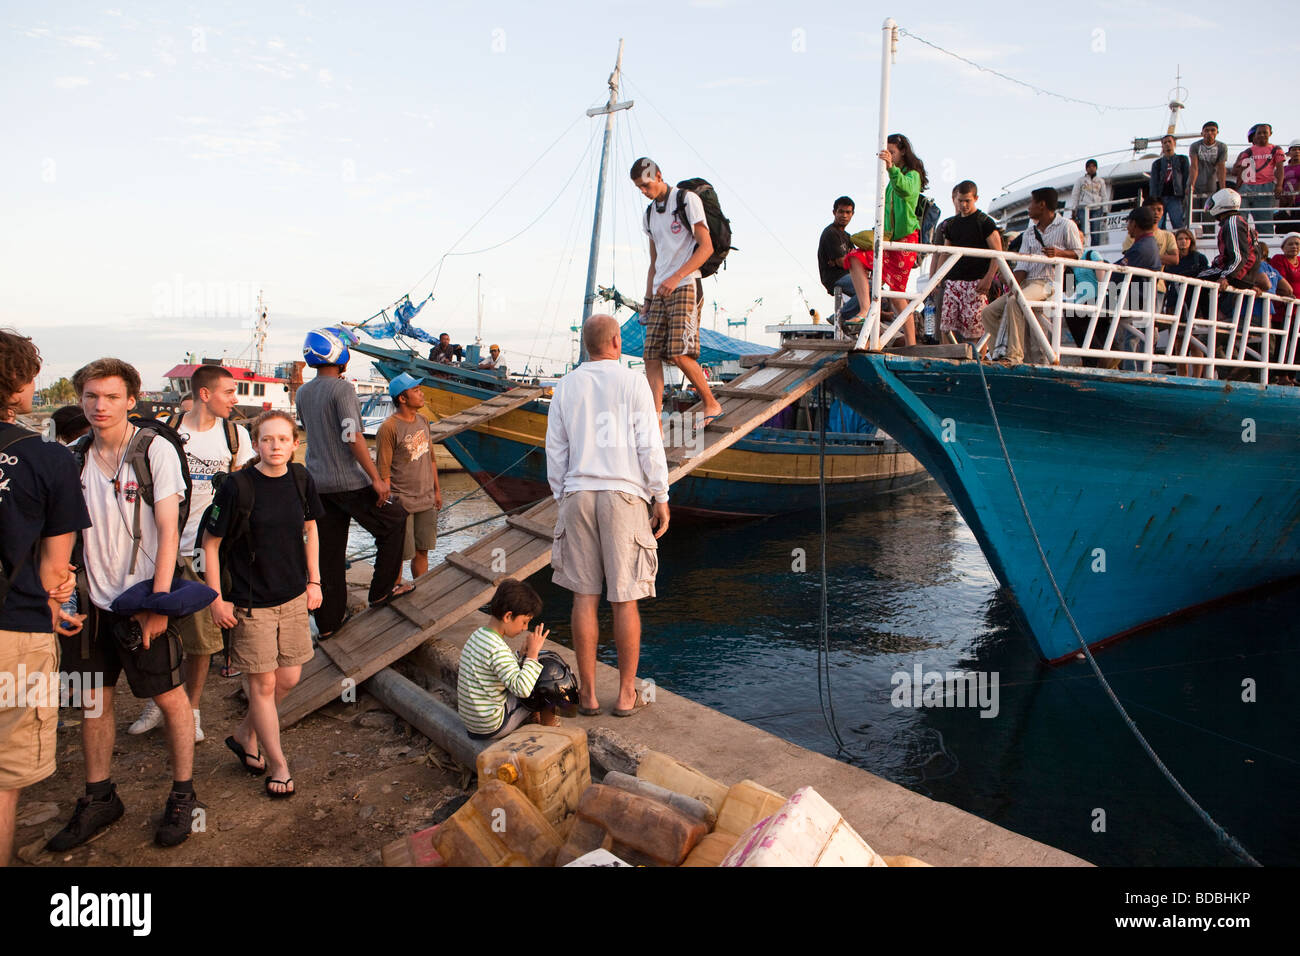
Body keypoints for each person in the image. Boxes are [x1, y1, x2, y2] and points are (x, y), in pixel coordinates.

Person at [48, 358, 199, 850]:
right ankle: (99, 797)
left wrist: (158, 602)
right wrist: (63, 594)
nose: (99, 406)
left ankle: (183, 794)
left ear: (132, 400)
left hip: (140, 597)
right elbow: (64, 533)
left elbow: (170, 529)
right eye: (90, 396)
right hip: (92, 601)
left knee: (170, 697)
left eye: (111, 396)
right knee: (95, 700)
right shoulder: (73, 457)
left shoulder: (154, 450)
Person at [545, 314, 669, 717]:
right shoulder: (633, 382)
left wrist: (562, 494)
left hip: (578, 493)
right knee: (624, 599)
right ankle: (627, 693)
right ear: (616, 341)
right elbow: (649, 445)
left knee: (585, 597)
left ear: (586, 344)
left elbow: (556, 450)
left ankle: (588, 696)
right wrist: (660, 495)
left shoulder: (565, 386)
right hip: (623, 495)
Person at [0, 330, 90, 867]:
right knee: (3, 776)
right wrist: (57, 599)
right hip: (16, 627)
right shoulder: (48, 459)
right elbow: (58, 568)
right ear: (16, 383)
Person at [128, 364, 254, 742]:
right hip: (160, 547)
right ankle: (159, 701)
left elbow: (247, 488)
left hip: (206, 550)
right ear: (204, 394)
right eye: (228, 392)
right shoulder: (165, 432)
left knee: (201, 641)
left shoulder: (236, 437)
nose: (235, 399)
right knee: (156, 631)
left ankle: (193, 708)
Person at [202, 411, 323, 798]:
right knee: (263, 683)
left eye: (283, 440)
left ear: (294, 444)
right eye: (267, 440)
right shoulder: (238, 486)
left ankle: (243, 734)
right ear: (255, 444)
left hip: (292, 598)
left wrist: (315, 580)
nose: (275, 447)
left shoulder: (301, 480)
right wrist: (216, 599)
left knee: (288, 679)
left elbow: (311, 528)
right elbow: (211, 543)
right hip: (250, 603)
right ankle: (279, 764)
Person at [296, 328, 411, 640]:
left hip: (317, 485)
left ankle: (329, 624)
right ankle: (381, 592)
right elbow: (352, 436)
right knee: (394, 522)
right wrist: (376, 479)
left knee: (329, 555)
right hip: (347, 481)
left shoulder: (303, 393)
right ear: (339, 354)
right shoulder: (342, 390)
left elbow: (311, 430)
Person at [629, 157, 723, 421]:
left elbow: (707, 247)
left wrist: (677, 275)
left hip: (685, 283)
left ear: (659, 175)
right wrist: (647, 299)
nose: (644, 192)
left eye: (646, 185)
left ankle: (711, 403)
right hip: (660, 290)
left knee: (679, 353)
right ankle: (655, 417)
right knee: (650, 354)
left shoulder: (685, 200)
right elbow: (654, 261)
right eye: (639, 188)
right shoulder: (649, 215)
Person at [981, 186, 1082, 365]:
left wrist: (1059, 253)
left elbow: (1077, 253)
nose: (1029, 207)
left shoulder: (1067, 225)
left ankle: (1014, 355)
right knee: (989, 312)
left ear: (1042, 205)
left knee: (1015, 301)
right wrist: (1013, 285)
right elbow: (1023, 265)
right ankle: (1000, 351)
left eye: (1031, 203)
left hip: (1049, 282)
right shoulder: (1029, 232)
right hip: (1029, 283)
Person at [844, 134, 927, 345]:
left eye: (893, 152)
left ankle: (911, 343)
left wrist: (891, 168)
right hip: (889, 238)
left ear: (902, 152)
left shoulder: (912, 175)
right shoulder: (889, 180)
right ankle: (864, 309)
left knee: (897, 295)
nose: (889, 155)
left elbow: (905, 190)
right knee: (855, 257)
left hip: (906, 240)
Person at [457, 578, 555, 740]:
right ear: (508, 616)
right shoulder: (497, 648)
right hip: (492, 726)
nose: (525, 628)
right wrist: (532, 655)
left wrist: (521, 656)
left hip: (474, 723)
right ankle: (550, 731)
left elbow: (499, 670)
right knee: (546, 683)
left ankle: (534, 720)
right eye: (524, 622)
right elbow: (522, 689)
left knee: (530, 674)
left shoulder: (479, 635)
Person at [374, 372, 442, 582]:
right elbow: (383, 469)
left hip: (425, 499)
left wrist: (437, 491)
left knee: (423, 550)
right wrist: (388, 503)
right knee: (399, 556)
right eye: (416, 390)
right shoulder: (389, 428)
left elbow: (430, 458)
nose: (421, 394)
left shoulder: (423, 420)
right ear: (402, 399)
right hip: (401, 502)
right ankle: (394, 594)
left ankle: (421, 593)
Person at [935, 180, 1002, 346]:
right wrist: (937, 279)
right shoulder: (951, 224)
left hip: (976, 283)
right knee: (946, 326)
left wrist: (988, 278)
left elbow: (998, 253)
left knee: (975, 330)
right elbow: (945, 252)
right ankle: (948, 360)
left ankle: (977, 360)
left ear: (976, 198)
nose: (963, 205)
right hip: (953, 282)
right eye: (960, 200)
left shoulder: (984, 222)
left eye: (967, 201)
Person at [1231, 124, 1286, 235]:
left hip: (1266, 186)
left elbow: (1280, 169)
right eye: (1259, 133)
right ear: (1255, 136)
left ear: (1270, 134)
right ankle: (1242, 239)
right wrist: (1238, 188)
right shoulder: (1248, 151)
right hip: (1246, 186)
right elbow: (1240, 171)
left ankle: (1266, 245)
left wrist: (1279, 185)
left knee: (1264, 220)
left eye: (1265, 132)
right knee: (1241, 218)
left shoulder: (1275, 149)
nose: (1262, 135)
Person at [817, 196, 859, 319]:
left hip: (848, 275)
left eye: (848, 212)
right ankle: (839, 316)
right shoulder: (830, 233)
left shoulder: (847, 236)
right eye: (841, 211)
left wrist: (848, 259)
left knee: (880, 291)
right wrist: (848, 260)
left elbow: (852, 260)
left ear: (852, 214)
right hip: (835, 277)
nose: (844, 215)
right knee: (870, 289)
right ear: (834, 212)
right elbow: (842, 262)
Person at [1188, 121, 1228, 222]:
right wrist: (1191, 185)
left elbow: (1221, 168)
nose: (1209, 133)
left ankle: (1208, 237)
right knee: (1192, 215)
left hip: (1210, 184)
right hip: (1195, 183)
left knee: (1208, 215)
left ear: (1217, 132)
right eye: (1206, 131)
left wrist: (1223, 188)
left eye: (1212, 130)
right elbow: (1194, 167)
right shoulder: (1195, 146)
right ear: (1202, 133)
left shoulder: (1222, 147)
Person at [1067, 159, 1112, 247]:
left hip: (1097, 208)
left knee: (1095, 231)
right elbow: (1075, 195)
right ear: (1086, 169)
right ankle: (1082, 248)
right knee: (1083, 230)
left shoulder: (1100, 181)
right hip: (1083, 207)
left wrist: (1105, 210)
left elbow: (1104, 196)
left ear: (1096, 168)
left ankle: (1095, 248)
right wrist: (1074, 209)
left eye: (1093, 166)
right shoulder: (1080, 180)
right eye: (1089, 167)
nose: (1091, 168)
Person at [1150, 135, 1190, 229]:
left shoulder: (1182, 159)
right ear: (1162, 146)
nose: (1167, 144)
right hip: (1161, 198)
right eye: (1165, 143)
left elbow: (1186, 177)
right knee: (1158, 225)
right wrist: (1154, 200)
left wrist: (1185, 194)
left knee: (1178, 224)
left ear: (1174, 144)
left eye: (1169, 142)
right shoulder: (1157, 163)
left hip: (1176, 197)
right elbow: (1153, 182)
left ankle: (1178, 242)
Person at [1278, 141, 1300, 233]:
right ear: (1289, 153)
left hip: (1298, 202)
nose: (1297, 152)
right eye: (1294, 149)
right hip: (1287, 203)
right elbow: (1280, 183)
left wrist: (1295, 194)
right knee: (1283, 227)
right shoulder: (1284, 168)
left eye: (1299, 150)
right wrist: (1283, 198)